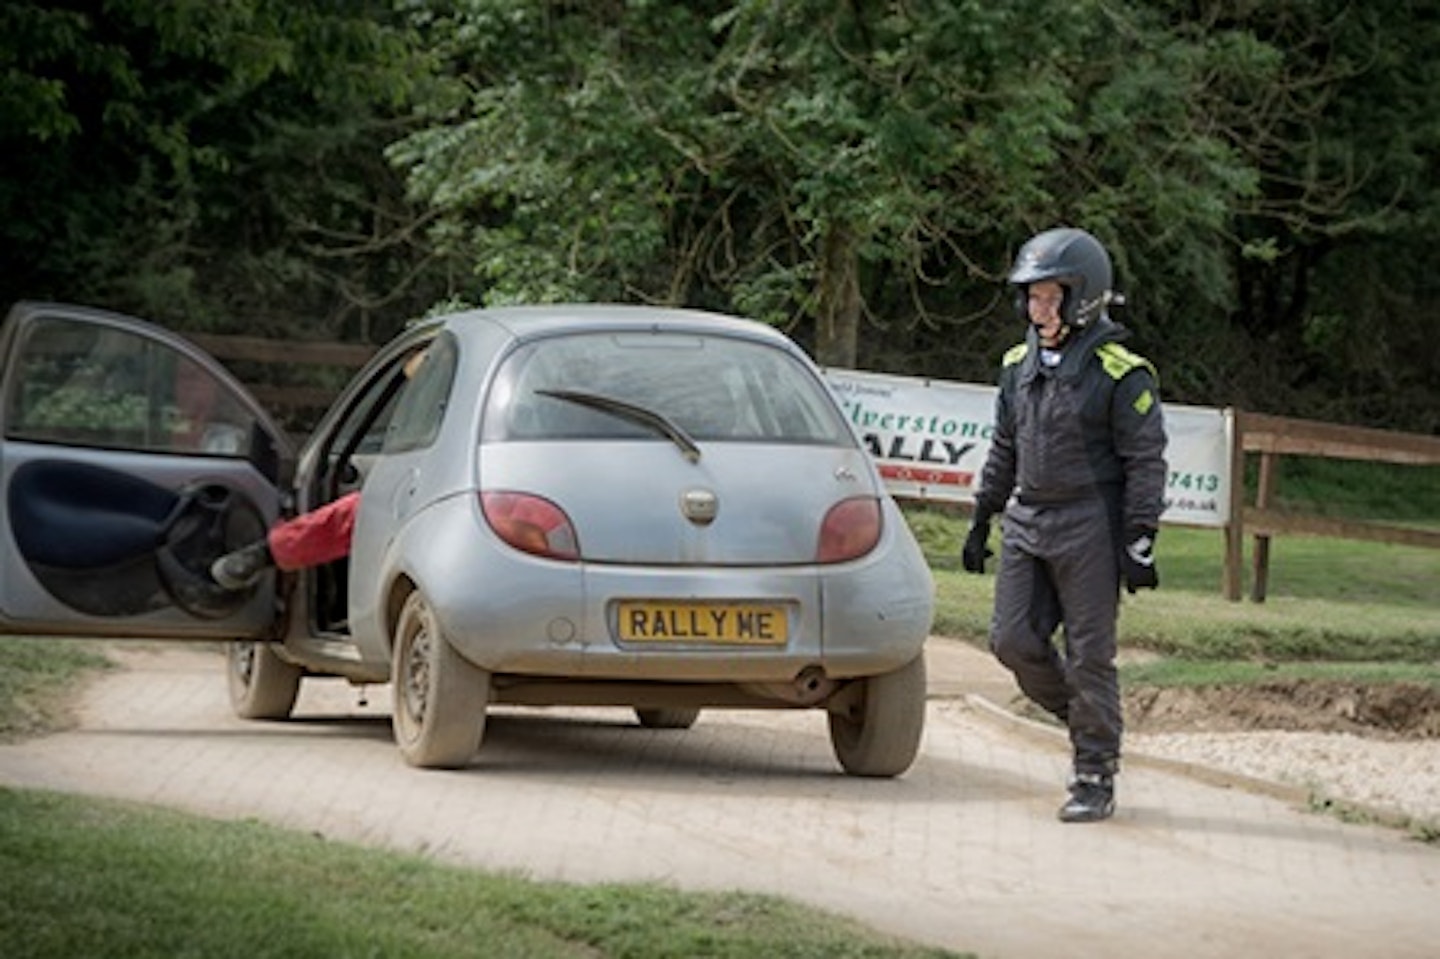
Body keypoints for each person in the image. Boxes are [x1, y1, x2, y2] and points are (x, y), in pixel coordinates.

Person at [961, 227, 1167, 823]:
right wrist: (983, 514)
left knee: (1090, 657)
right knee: (1011, 641)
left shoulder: (1122, 372)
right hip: (1028, 518)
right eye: (1031, 297)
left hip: (1090, 525)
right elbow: (1006, 444)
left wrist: (1140, 536)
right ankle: (1084, 719)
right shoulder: (1015, 365)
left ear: (1086, 297)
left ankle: (1094, 772)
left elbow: (1145, 461)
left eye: (1051, 297)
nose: (1038, 309)